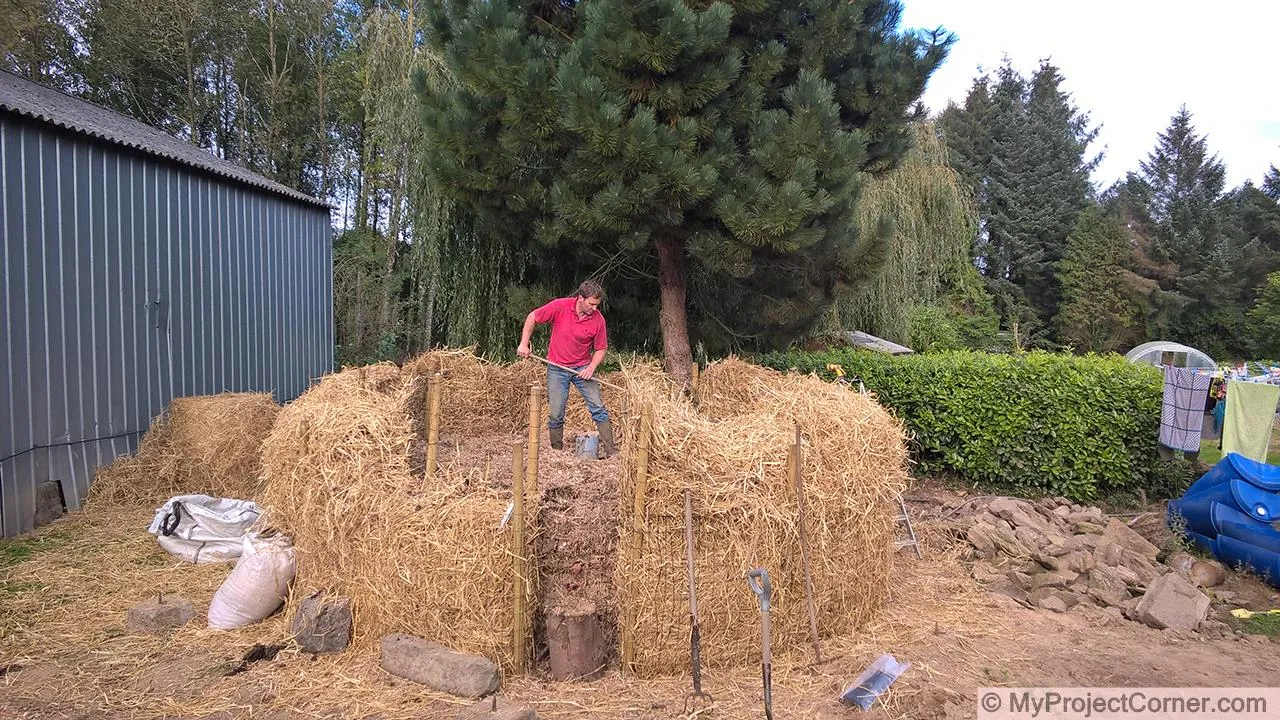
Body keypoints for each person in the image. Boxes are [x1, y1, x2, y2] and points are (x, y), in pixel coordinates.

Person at [517, 280, 615, 456]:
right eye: (591, 304)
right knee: (556, 412)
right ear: (580, 298)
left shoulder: (598, 319)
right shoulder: (560, 306)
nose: (594, 308)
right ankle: (557, 452)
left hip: (582, 367)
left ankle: (611, 452)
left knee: (598, 407)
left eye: (597, 305)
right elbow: (533, 317)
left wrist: (591, 367)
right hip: (557, 368)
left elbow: (601, 348)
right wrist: (524, 344)